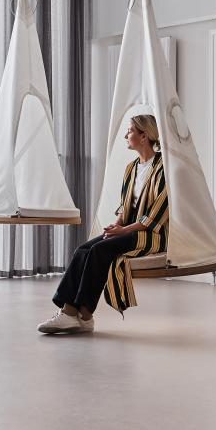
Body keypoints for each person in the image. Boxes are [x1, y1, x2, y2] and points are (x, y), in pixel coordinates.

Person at [38, 114, 169, 335]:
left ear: (144, 136)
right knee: (83, 249)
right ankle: (71, 313)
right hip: (127, 228)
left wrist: (123, 230)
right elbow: (124, 207)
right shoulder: (132, 168)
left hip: (151, 234)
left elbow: (156, 215)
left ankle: (83, 315)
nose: (126, 135)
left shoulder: (164, 168)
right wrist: (114, 226)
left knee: (99, 251)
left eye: (130, 131)